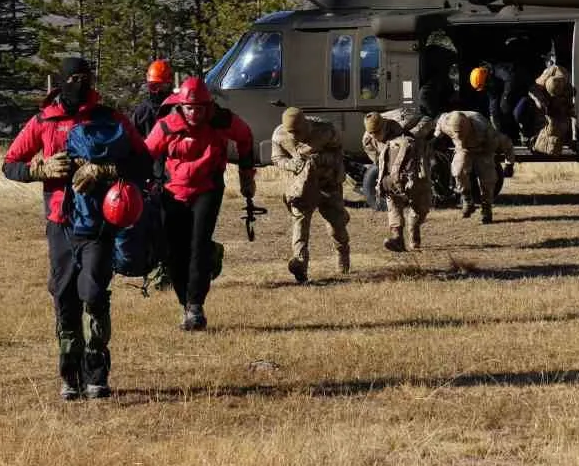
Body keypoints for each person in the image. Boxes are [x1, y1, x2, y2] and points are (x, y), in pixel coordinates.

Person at [2, 56, 152, 401]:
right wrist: (40, 171)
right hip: (60, 223)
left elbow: (143, 160)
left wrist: (107, 169)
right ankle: (70, 375)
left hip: (100, 222)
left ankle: (97, 371)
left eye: (86, 79)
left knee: (95, 294)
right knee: (64, 297)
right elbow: (10, 164)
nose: (80, 85)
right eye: (75, 79)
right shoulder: (44, 121)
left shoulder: (110, 118)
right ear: (62, 82)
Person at [145, 76, 255, 331]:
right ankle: (186, 303)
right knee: (174, 252)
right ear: (181, 106)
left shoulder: (221, 120)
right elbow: (144, 152)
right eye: (189, 108)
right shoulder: (167, 126)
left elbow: (245, 136)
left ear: (208, 106)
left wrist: (246, 175)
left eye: (199, 108)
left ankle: (195, 306)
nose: (194, 113)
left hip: (208, 189)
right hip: (173, 192)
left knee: (198, 245)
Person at [270, 106, 350, 282]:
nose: (295, 136)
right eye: (292, 133)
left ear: (306, 125)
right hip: (302, 187)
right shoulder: (279, 135)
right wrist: (292, 165)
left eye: (299, 132)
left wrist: (320, 160)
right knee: (300, 224)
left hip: (328, 184)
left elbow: (339, 154)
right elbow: (277, 158)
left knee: (336, 225)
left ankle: (342, 254)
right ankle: (300, 265)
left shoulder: (325, 130)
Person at [362, 108, 433, 252]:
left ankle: (414, 228)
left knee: (421, 206)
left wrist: (412, 135)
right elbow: (377, 160)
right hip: (392, 169)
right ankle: (397, 238)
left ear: (384, 126)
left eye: (377, 133)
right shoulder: (368, 140)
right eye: (372, 134)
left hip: (416, 162)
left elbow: (428, 120)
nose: (375, 137)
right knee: (392, 198)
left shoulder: (403, 122)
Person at [433, 109, 513, 224]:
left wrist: (509, 164)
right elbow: (438, 130)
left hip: (483, 150)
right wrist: (436, 138)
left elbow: (506, 143)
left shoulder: (485, 130)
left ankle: (486, 209)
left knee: (488, 180)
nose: (459, 136)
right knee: (458, 171)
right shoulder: (445, 122)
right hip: (463, 149)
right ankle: (467, 199)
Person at [528, 61, 577, 156]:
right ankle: (536, 142)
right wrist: (539, 101)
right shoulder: (544, 79)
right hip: (543, 101)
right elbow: (532, 89)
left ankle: (545, 143)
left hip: (558, 109)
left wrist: (574, 138)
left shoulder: (568, 90)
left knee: (557, 132)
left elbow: (572, 111)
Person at [130, 58, 175, 136]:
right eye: (154, 86)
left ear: (170, 85)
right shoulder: (142, 112)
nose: (158, 91)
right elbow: (132, 140)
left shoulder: (179, 109)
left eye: (163, 87)